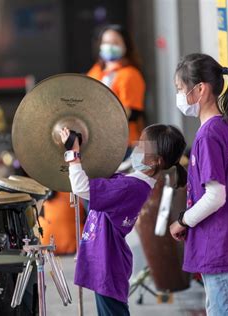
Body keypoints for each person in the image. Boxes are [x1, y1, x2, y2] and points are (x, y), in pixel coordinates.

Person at [60, 124, 187, 316]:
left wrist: (73, 153)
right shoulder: (135, 183)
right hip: (108, 261)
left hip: (108, 263)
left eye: (143, 146)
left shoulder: (130, 187)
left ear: (155, 161)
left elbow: (80, 187)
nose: (136, 148)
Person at [169, 53, 228, 315]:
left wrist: (183, 220)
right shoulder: (222, 127)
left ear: (201, 89)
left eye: (181, 89)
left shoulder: (207, 136)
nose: (180, 96)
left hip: (220, 248)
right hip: (227, 245)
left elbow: (215, 196)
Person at [87, 24, 146, 154]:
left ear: (125, 45)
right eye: (106, 42)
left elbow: (132, 113)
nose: (110, 46)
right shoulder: (96, 70)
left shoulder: (130, 74)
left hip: (124, 144)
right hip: (97, 142)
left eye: (115, 42)